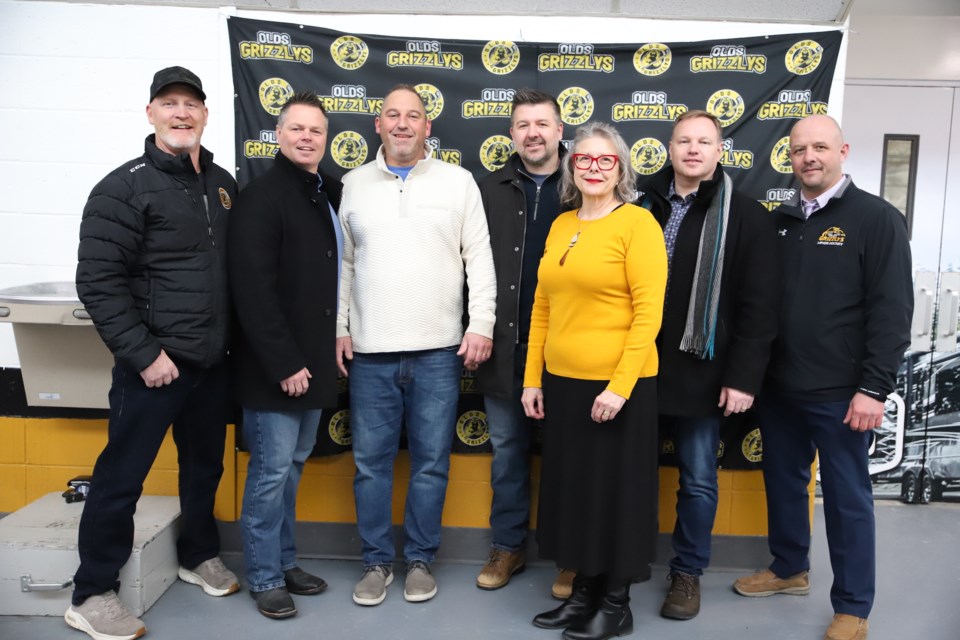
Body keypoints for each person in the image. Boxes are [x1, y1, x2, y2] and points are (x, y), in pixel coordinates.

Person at [68, 66, 239, 640]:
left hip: (211, 364)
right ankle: (91, 591)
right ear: (150, 114)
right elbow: (97, 281)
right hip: (154, 368)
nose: (182, 113)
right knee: (123, 476)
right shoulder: (124, 187)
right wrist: (144, 355)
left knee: (204, 469)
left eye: (192, 104)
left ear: (206, 115)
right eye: (170, 104)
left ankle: (197, 554)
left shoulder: (222, 183)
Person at [733, 115, 913, 640]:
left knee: (846, 497)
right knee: (784, 483)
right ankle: (789, 568)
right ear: (788, 158)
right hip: (780, 386)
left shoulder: (876, 219)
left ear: (842, 151)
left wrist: (874, 387)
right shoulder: (782, 219)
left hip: (842, 393)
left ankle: (854, 606)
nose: (809, 157)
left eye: (819, 147)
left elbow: (891, 309)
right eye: (798, 150)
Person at [336, 84, 497, 606]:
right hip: (371, 351)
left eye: (414, 116)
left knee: (431, 463)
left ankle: (422, 560)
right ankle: (377, 563)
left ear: (428, 127)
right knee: (370, 465)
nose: (403, 124)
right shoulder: (353, 185)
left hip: (438, 352)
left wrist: (483, 324)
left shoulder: (458, 181)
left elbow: (480, 257)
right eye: (392, 115)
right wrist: (340, 326)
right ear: (377, 125)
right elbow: (342, 265)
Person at [521, 122, 667, 640]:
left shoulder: (638, 224)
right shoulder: (562, 225)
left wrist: (620, 386)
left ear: (621, 169)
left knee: (616, 496)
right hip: (563, 384)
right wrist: (531, 378)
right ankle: (582, 594)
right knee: (576, 492)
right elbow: (542, 306)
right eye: (584, 160)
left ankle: (616, 601)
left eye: (606, 161)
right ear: (571, 167)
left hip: (617, 387)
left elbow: (650, 314)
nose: (594, 168)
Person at [635, 110, 780, 620]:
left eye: (704, 142)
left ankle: (687, 573)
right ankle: (616, 564)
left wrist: (743, 378)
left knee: (697, 478)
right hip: (639, 366)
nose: (693, 149)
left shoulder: (745, 215)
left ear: (720, 151)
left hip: (704, 371)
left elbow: (759, 309)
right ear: (669, 148)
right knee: (628, 472)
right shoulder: (639, 203)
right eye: (683, 141)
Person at [228, 91, 342, 619]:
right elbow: (252, 291)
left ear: (325, 138)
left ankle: (286, 561)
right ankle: (265, 575)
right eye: (296, 129)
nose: (306, 137)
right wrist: (284, 364)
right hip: (277, 370)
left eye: (315, 130)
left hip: (314, 364)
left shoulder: (322, 193)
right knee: (271, 473)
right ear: (278, 135)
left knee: (293, 467)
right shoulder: (262, 196)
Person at [475, 88, 572, 595]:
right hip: (504, 348)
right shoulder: (488, 188)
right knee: (508, 453)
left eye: (542, 123)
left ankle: (570, 555)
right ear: (512, 134)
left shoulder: (587, 184)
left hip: (568, 353)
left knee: (567, 456)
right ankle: (508, 546)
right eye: (522, 125)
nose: (532, 133)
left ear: (560, 130)